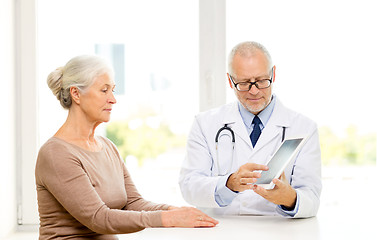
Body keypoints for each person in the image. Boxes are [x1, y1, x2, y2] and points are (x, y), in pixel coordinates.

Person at [35, 55, 218, 240]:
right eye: (104, 90)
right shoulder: (56, 153)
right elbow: (98, 218)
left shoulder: (107, 147)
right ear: (76, 94)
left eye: (113, 90)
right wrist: (167, 218)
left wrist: (174, 210)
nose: (113, 99)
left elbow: (133, 203)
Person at [179, 41, 322, 218]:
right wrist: (229, 184)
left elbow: (312, 198)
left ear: (273, 74)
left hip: (278, 232)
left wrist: (290, 198)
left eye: (262, 81)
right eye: (244, 83)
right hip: (221, 230)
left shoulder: (304, 127)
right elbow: (188, 186)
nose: (254, 91)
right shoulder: (204, 124)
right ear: (230, 81)